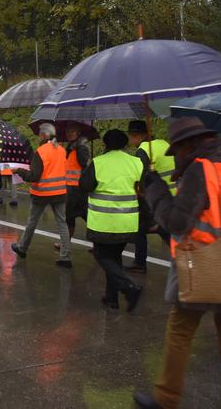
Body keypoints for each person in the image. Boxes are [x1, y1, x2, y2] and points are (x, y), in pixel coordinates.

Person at [133, 117, 221, 409]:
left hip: (206, 265)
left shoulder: (200, 170)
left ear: (189, 144)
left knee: (180, 333)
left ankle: (166, 398)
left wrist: (155, 191)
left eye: (177, 149)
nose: (176, 155)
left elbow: (177, 222)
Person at [79, 129, 144, 311]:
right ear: (125, 144)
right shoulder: (135, 162)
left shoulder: (98, 163)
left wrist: (88, 167)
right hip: (128, 221)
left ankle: (129, 287)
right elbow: (142, 186)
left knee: (102, 255)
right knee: (114, 257)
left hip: (104, 221)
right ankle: (111, 298)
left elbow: (85, 185)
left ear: (105, 144)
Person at [11, 123, 71, 267]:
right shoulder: (62, 150)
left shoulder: (41, 151)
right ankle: (66, 257)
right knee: (62, 223)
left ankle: (22, 248)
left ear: (44, 135)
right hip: (60, 192)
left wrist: (19, 171)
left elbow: (34, 176)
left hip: (42, 192)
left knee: (32, 222)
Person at [126, 120, 174, 274]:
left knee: (141, 227)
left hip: (157, 199)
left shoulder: (144, 150)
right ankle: (185, 259)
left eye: (130, 136)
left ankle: (140, 263)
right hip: (174, 195)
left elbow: (141, 177)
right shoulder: (164, 143)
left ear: (135, 135)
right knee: (166, 231)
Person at [55, 123, 90, 250]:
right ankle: (65, 242)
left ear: (78, 133)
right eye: (68, 131)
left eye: (72, 131)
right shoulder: (72, 146)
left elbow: (85, 164)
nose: (69, 134)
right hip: (70, 187)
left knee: (84, 216)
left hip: (77, 188)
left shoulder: (80, 147)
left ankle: (99, 243)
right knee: (70, 216)